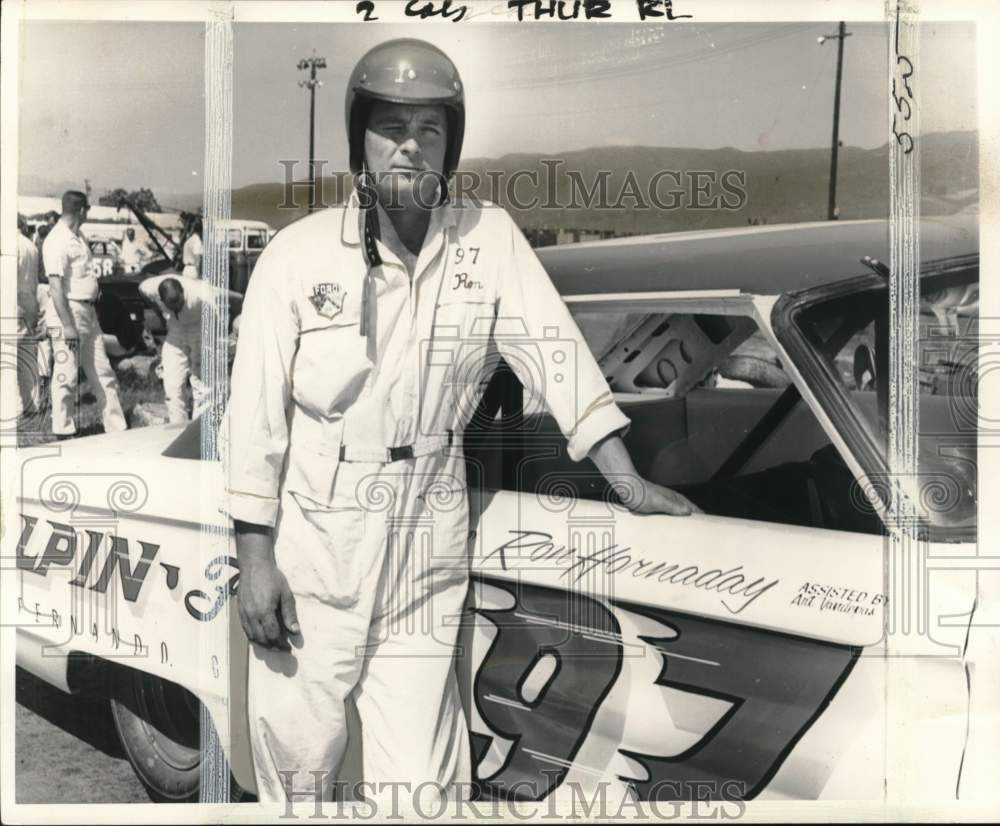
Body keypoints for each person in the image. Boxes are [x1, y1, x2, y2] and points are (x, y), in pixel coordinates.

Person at [223, 39, 699, 804]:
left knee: (424, 780)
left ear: (451, 143)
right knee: (301, 762)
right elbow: (254, 422)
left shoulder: (490, 238)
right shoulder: (296, 256)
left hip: (428, 528)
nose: (409, 145)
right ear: (361, 140)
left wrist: (625, 477)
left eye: (430, 129)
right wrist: (255, 560)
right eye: (390, 126)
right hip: (316, 539)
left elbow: (558, 355)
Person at [42, 190, 127, 437]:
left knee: (103, 372)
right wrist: (67, 325)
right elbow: (56, 287)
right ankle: (63, 430)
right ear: (82, 210)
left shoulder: (78, 236)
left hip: (88, 313)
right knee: (66, 375)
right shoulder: (56, 240)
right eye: (87, 210)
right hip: (69, 312)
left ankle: (117, 428)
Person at [139, 274, 240, 423]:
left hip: (201, 329)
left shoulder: (203, 296)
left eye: (178, 302)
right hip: (175, 330)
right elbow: (143, 293)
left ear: (182, 292)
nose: (177, 307)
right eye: (171, 305)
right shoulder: (149, 287)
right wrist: (161, 316)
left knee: (201, 384)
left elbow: (220, 325)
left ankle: (198, 429)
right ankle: (177, 429)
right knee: (172, 385)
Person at [15, 215, 41, 419]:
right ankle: (33, 403)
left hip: (13, 301)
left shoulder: (9, 245)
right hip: (31, 299)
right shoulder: (31, 246)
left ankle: (13, 407)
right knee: (28, 357)